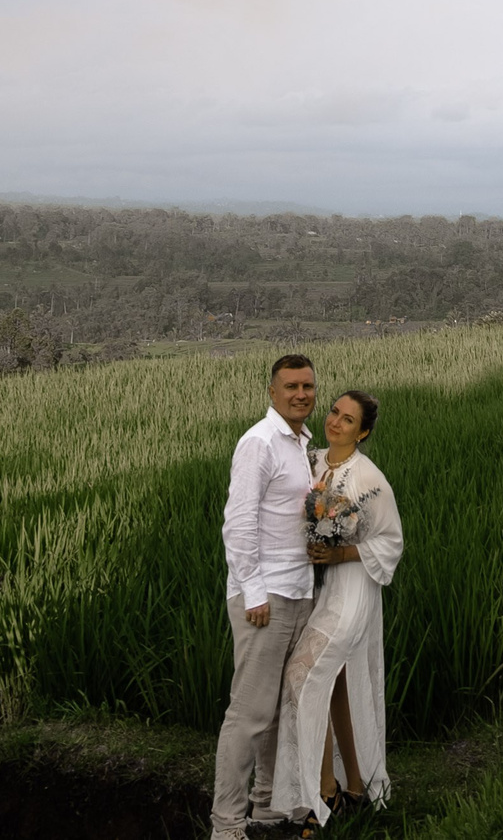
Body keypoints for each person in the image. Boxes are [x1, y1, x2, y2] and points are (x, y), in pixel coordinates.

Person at [273, 389, 404, 830]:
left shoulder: (369, 479)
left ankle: (322, 790)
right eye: (334, 412)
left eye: (348, 420)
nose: (335, 421)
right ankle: (356, 787)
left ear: (362, 431)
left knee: (301, 676)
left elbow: (391, 542)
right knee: (339, 685)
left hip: (351, 593)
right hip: (314, 590)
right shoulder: (309, 462)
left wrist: (342, 555)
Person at [215, 356, 320, 840]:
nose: (302, 394)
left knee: (281, 709)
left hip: (299, 590)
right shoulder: (259, 442)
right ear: (272, 391)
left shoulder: (302, 443)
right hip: (266, 597)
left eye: (308, 386)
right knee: (250, 712)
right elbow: (238, 523)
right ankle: (227, 826)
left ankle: (266, 807)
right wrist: (253, 591)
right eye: (292, 386)